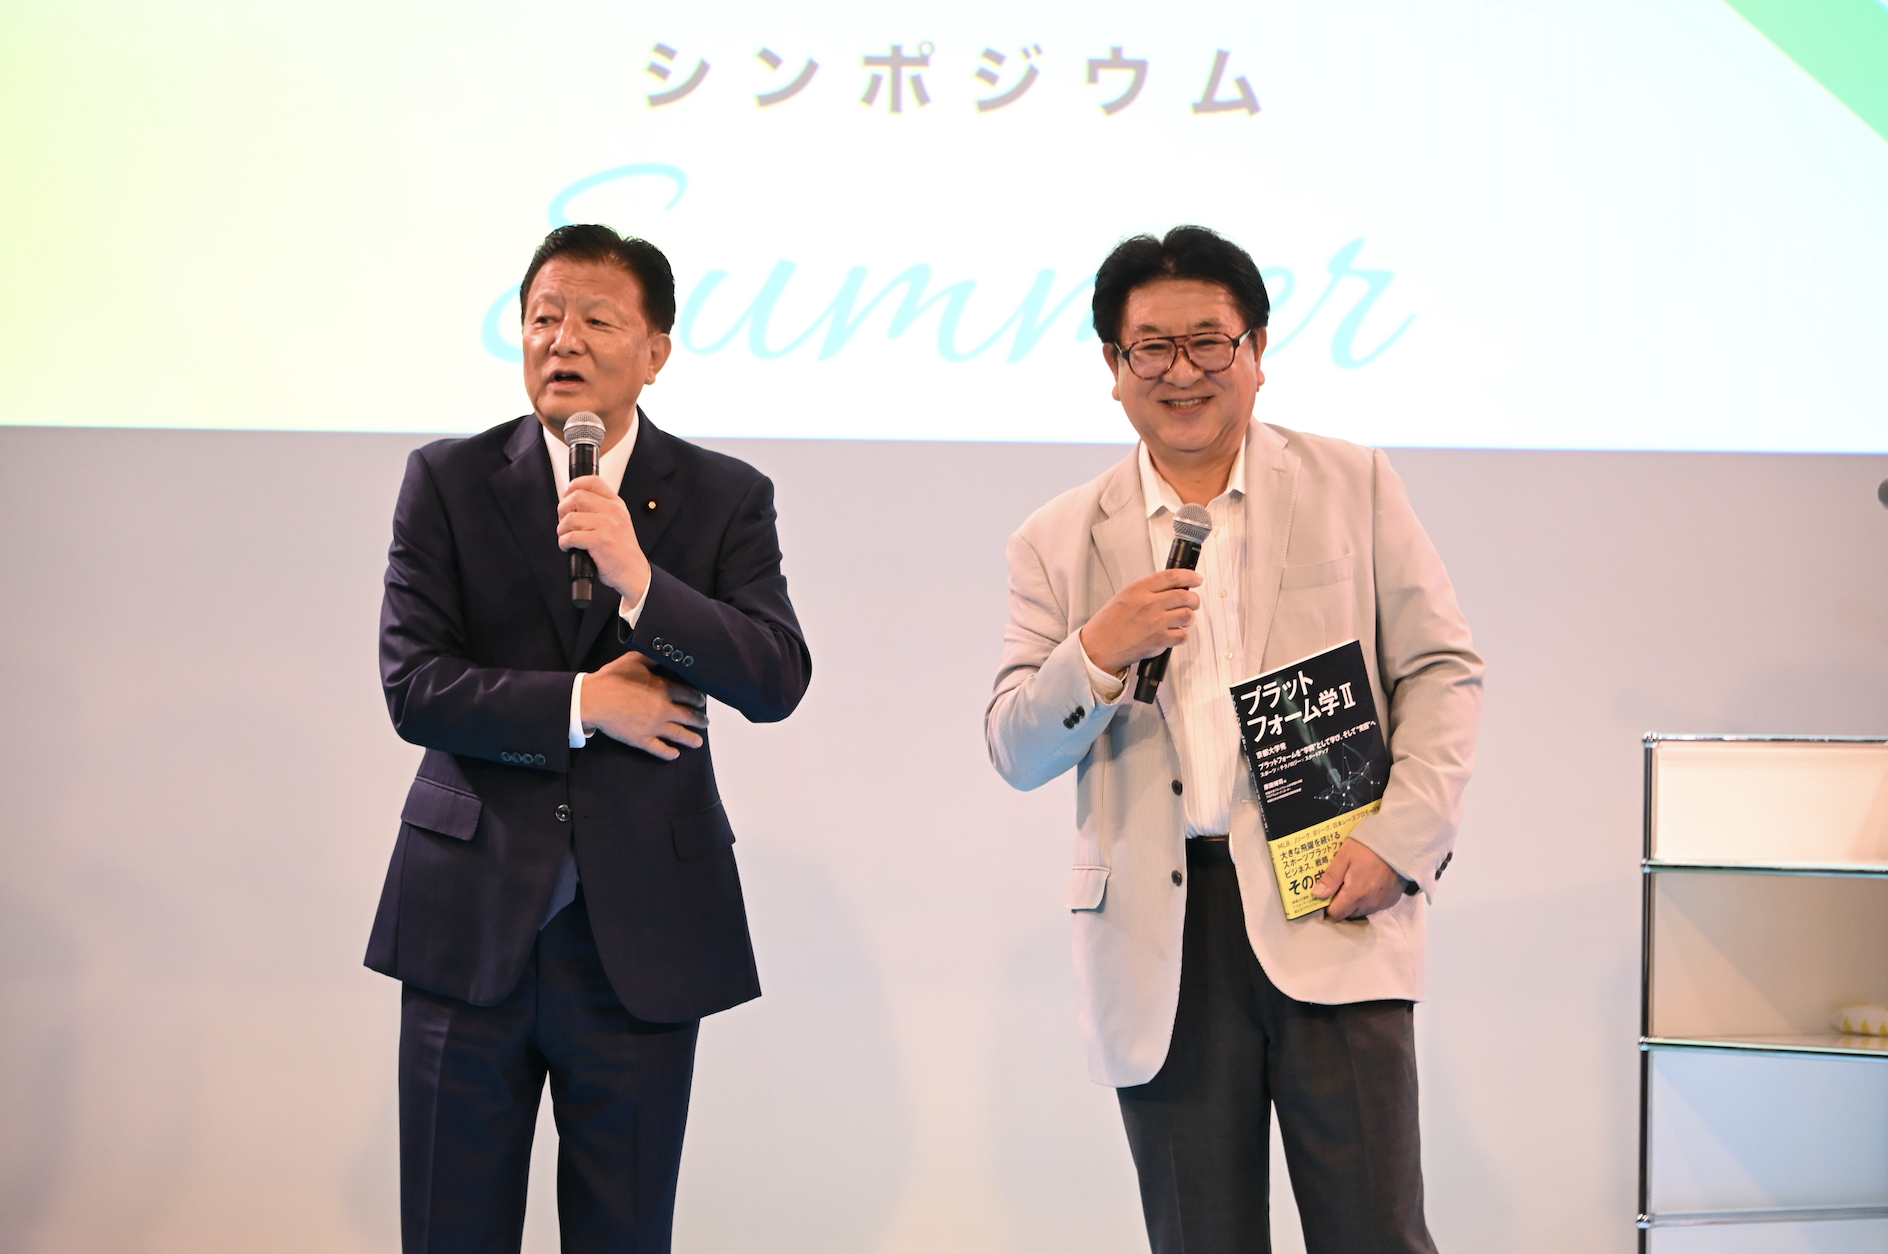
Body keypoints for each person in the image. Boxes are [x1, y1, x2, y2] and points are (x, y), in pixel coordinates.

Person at [985, 226, 1482, 1254]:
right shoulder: (1056, 537)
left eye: (1209, 342)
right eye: (1151, 348)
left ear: (1256, 349)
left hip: (1332, 891)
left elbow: (1440, 670)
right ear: (1113, 367)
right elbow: (1014, 748)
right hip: (1162, 936)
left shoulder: (1353, 483)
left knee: (1377, 1236)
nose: (1183, 372)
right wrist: (1096, 651)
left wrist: (1399, 842)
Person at [367, 224, 811, 1254]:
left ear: (656, 351)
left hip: (640, 941)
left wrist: (642, 580)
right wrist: (581, 704)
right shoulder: (447, 480)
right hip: (470, 920)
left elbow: (774, 676)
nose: (561, 340)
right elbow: (415, 687)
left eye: (596, 320)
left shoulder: (724, 496)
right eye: (542, 318)